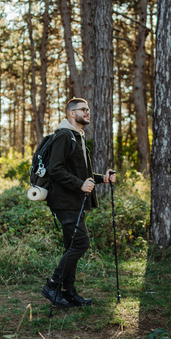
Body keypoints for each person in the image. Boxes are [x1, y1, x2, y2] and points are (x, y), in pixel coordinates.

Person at [41, 98, 116, 308]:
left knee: (71, 246)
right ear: (72, 114)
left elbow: (82, 175)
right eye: (83, 109)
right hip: (64, 201)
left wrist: (103, 179)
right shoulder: (64, 136)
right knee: (81, 243)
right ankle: (53, 285)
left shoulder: (77, 137)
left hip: (75, 201)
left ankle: (69, 292)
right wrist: (79, 185)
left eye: (88, 109)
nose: (88, 112)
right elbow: (55, 169)